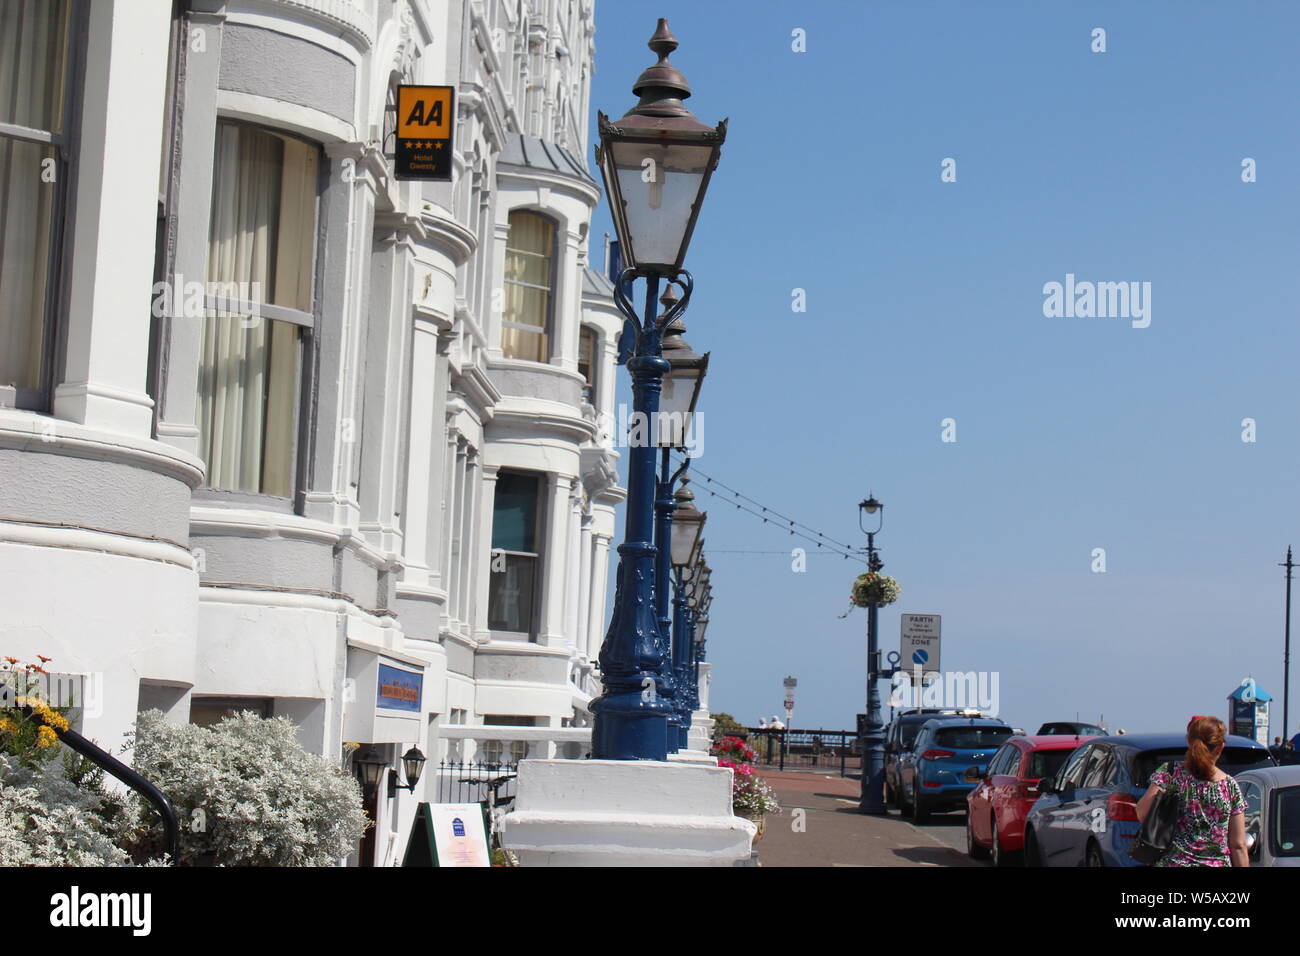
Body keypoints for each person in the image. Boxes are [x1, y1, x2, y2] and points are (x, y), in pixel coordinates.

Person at [1136, 715, 1248, 867]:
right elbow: (1238, 845)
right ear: (1221, 747)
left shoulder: (1170, 772)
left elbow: (1142, 813)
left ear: (1189, 742)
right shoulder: (1230, 786)